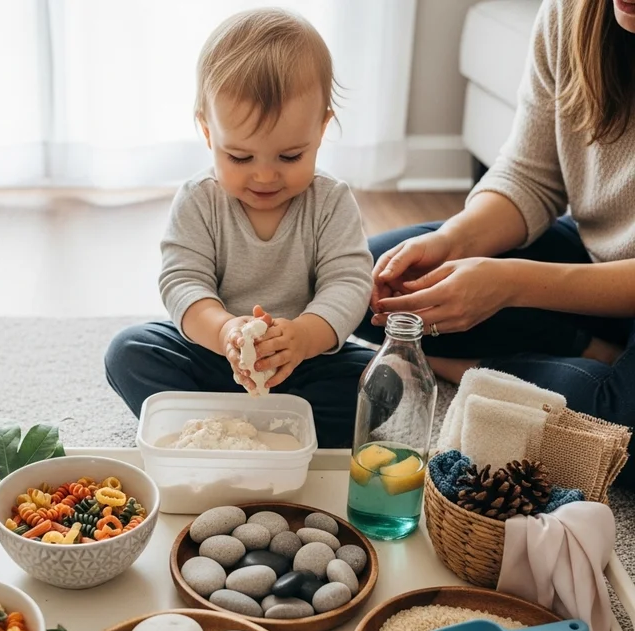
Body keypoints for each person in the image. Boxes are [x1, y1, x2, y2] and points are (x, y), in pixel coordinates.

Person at [357, 0, 635, 488]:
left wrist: (511, 285)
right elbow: (530, 176)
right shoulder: (571, 13)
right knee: (363, 283)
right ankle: (588, 350)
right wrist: (453, 240)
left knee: (622, 436)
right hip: (595, 253)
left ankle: (470, 371)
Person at [105, 8, 374, 447]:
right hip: (215, 359)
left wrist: (304, 336)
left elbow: (348, 282)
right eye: (240, 158)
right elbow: (183, 280)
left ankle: (247, 424)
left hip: (299, 364)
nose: (265, 177)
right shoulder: (199, 199)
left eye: (289, 157)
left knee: (376, 383)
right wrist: (224, 331)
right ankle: (230, 425)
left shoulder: (330, 200)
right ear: (208, 133)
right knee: (129, 351)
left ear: (322, 128)